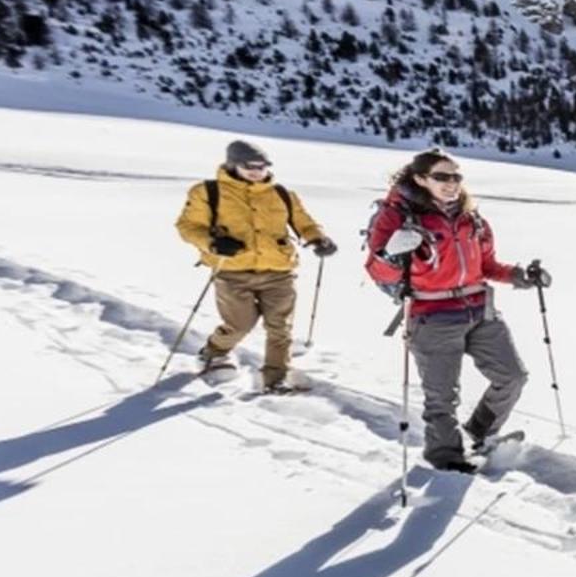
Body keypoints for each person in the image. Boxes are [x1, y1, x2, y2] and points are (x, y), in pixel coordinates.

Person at [362, 149, 547, 473]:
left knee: (512, 377)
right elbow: (379, 271)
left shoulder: (470, 217)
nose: (451, 184)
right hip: (432, 315)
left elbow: (486, 264)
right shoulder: (397, 217)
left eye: (456, 176)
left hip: (480, 309)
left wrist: (519, 276)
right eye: (442, 177)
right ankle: (446, 460)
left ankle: (478, 433)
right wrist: (391, 255)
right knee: (442, 398)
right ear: (420, 179)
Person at [174, 139, 336, 392]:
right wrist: (213, 243)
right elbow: (187, 227)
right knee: (240, 324)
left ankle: (276, 378)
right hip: (232, 271)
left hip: (279, 270)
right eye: (250, 165)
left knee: (279, 327)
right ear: (233, 164)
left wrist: (318, 239)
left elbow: (304, 222)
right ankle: (214, 352)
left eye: (262, 166)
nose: (257, 171)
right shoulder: (207, 192)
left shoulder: (281, 194)